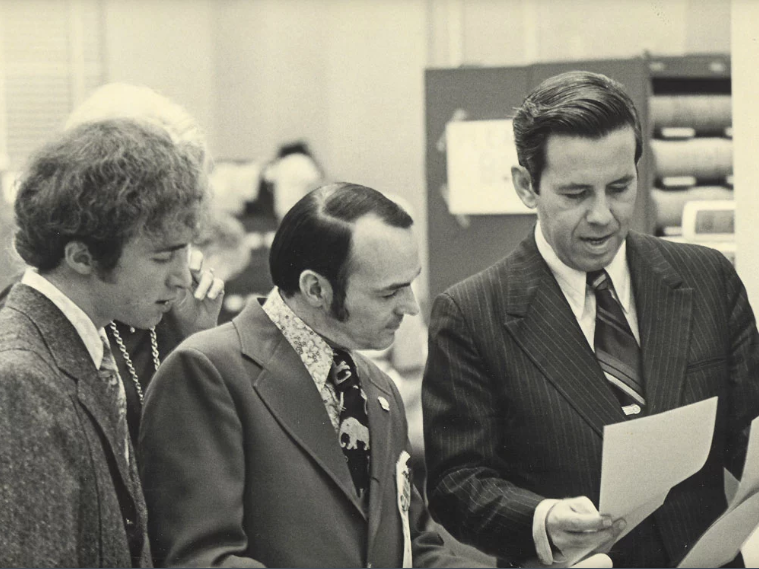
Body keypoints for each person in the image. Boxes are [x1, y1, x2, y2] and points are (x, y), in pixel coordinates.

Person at [422, 70, 759, 568]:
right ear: (526, 187)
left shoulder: (707, 278)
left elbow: (748, 428)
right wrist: (542, 518)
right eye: (576, 194)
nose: (603, 215)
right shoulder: (473, 314)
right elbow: (456, 482)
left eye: (620, 187)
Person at [138, 183, 481, 568]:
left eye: (411, 283)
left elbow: (412, 550)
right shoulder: (207, 371)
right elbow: (202, 558)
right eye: (389, 293)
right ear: (316, 288)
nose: (411, 308)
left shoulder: (378, 388)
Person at [0, 118, 211, 567]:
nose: (182, 277)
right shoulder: (18, 378)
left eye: (185, 252)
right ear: (81, 256)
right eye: (163, 256)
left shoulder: (81, 342)